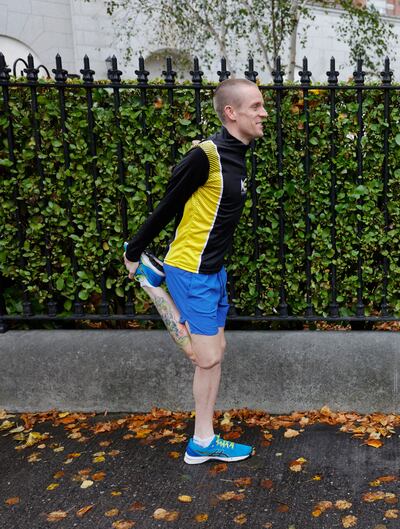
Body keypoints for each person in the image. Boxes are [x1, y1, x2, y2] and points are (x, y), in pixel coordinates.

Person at [123, 78, 267, 464]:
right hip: (190, 270)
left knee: (216, 352)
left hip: (213, 271)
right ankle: (152, 285)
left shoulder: (237, 155)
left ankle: (203, 440)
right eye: (255, 106)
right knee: (204, 358)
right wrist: (135, 253)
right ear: (231, 113)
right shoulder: (207, 155)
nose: (264, 113)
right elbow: (168, 205)